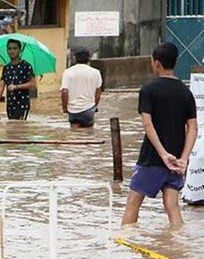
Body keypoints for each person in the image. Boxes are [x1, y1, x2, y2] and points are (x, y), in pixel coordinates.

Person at [121, 42, 198, 227]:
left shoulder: (148, 89)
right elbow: (193, 128)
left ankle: (123, 248)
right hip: (177, 161)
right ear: (175, 62)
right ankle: (177, 246)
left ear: (156, 63)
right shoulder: (186, 92)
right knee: (172, 206)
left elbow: (148, 124)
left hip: (152, 159)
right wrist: (184, 159)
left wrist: (163, 154)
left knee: (133, 203)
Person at [0, 39, 36, 120]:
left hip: (22, 104)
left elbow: (33, 83)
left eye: (15, 48)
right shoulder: (6, 68)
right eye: (10, 48)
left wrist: (16, 87)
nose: (12, 51)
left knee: (20, 128)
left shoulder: (26, 66)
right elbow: (1, 86)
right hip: (10, 105)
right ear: (7, 50)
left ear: (19, 50)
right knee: (11, 128)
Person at [61, 47, 102, 128]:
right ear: (89, 58)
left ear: (75, 58)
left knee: (74, 135)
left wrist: (65, 108)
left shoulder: (68, 72)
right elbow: (98, 93)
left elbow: (64, 91)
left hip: (73, 110)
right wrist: (94, 106)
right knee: (88, 134)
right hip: (89, 108)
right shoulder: (96, 72)